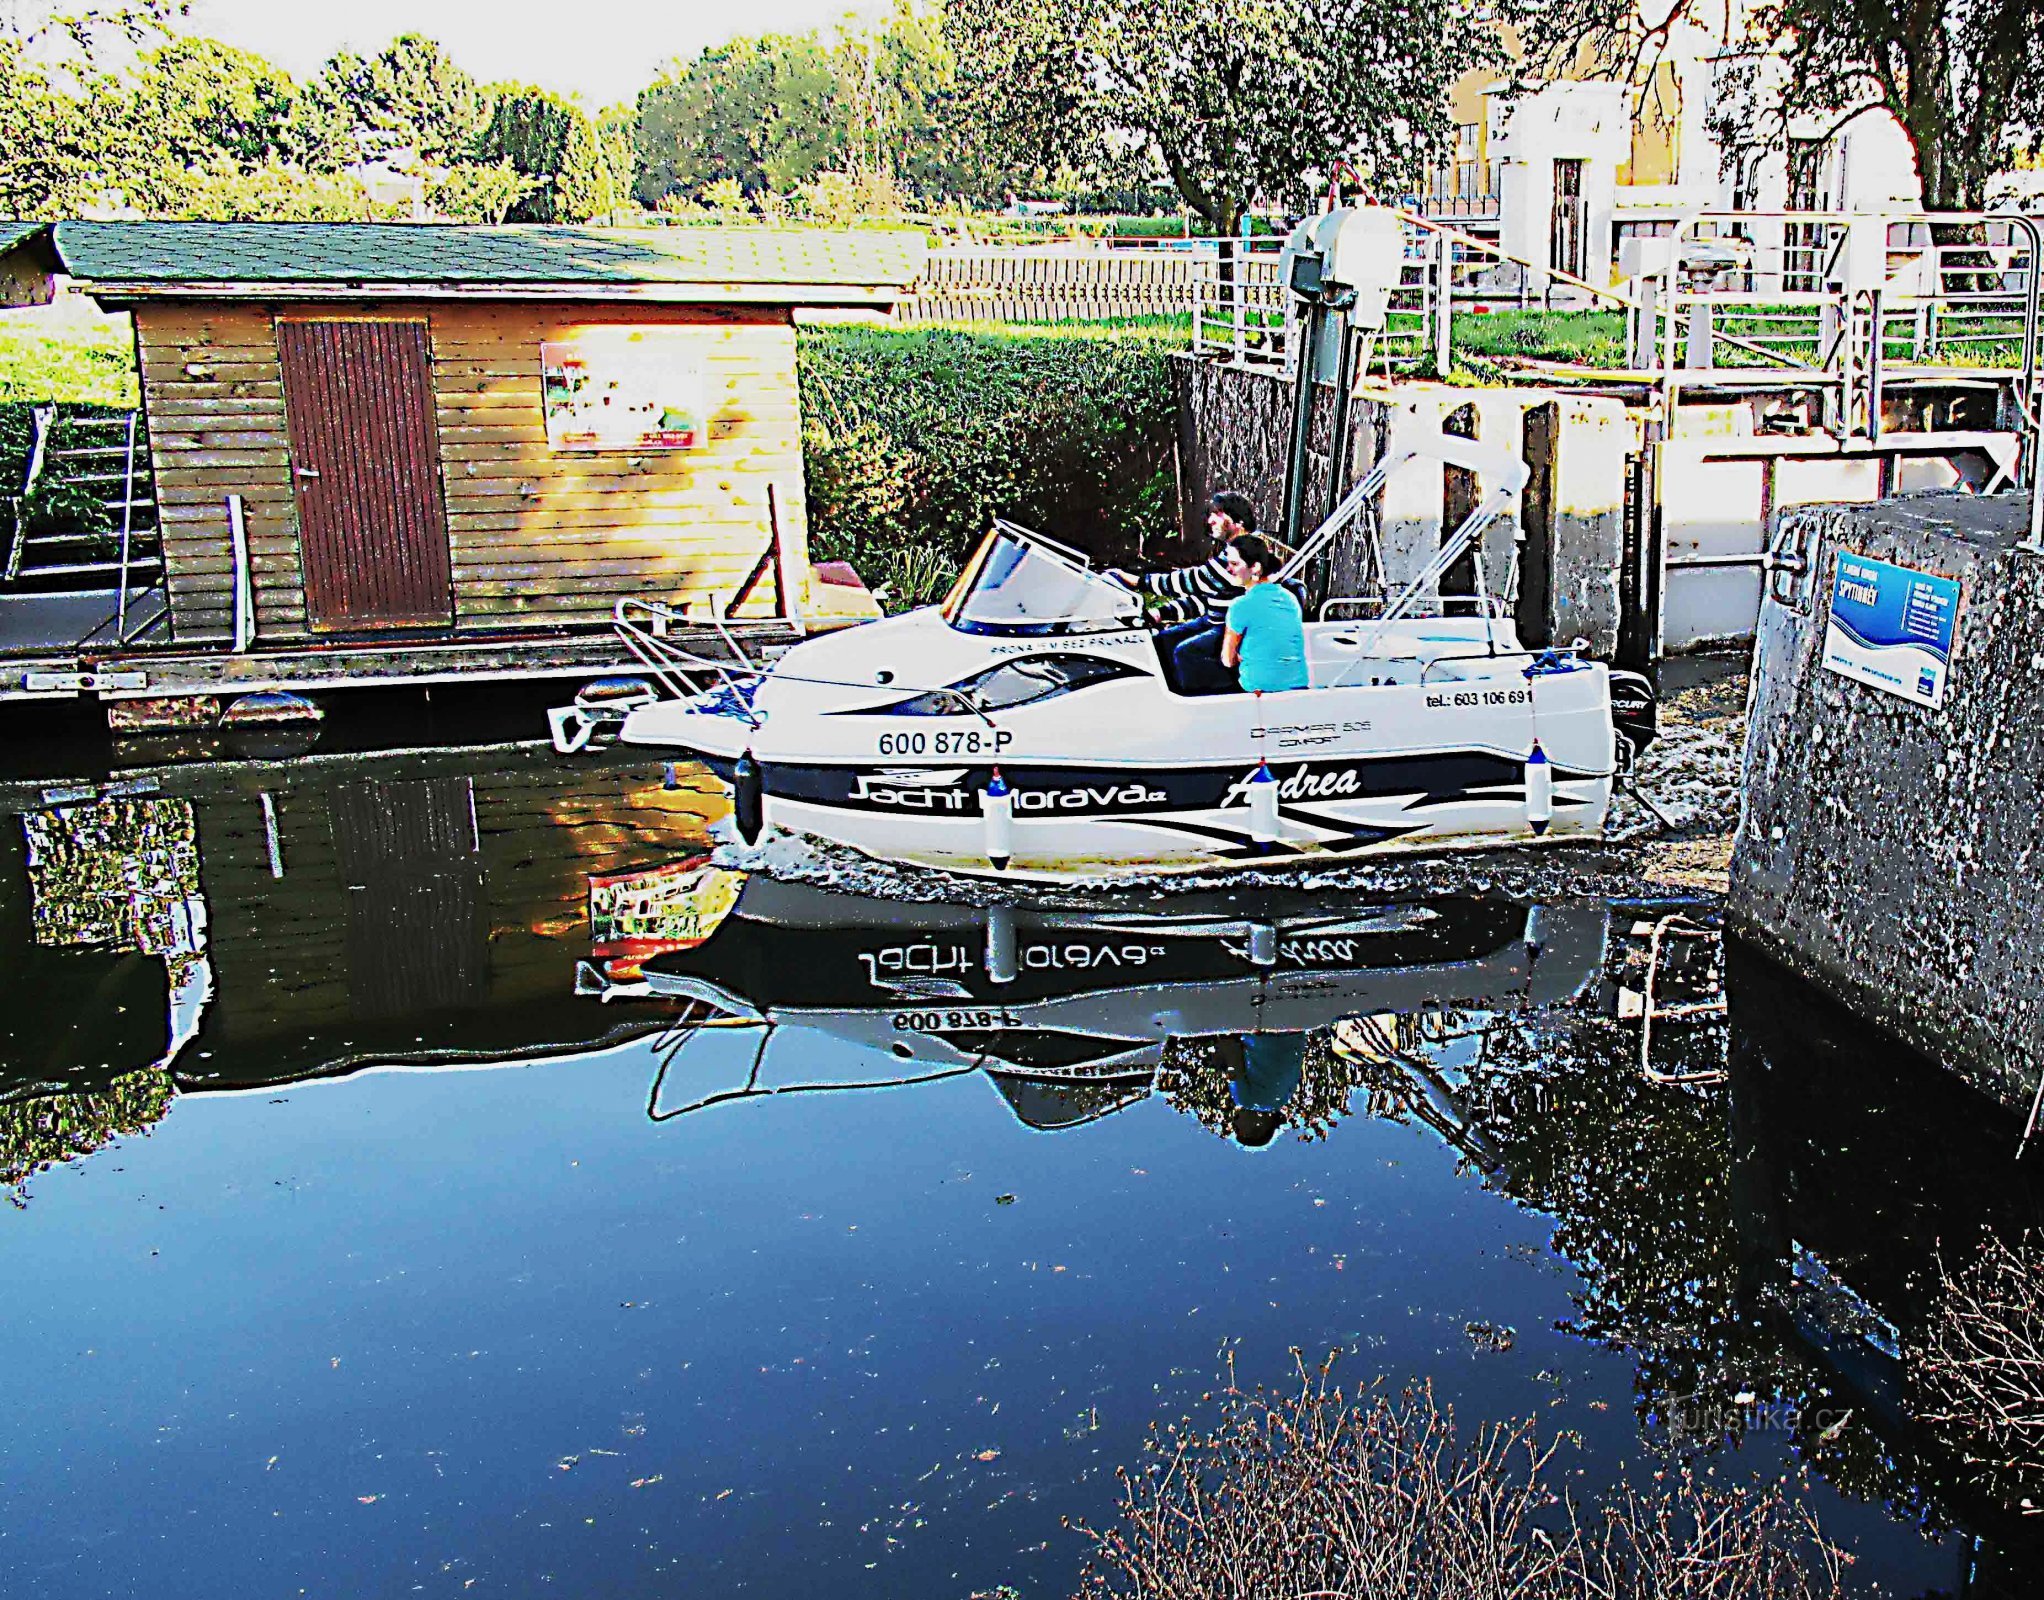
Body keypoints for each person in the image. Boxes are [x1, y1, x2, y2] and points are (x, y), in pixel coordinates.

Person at [1109, 490, 1260, 693]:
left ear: (1239, 521)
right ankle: (1168, 694)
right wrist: (1163, 612)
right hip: (1215, 621)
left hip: (1232, 627)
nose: (1211, 520)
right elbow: (1207, 597)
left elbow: (1194, 581)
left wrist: (1139, 582)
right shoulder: (1231, 549)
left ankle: (1213, 699)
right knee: (1161, 642)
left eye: (1219, 513)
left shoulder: (1244, 553)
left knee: (1185, 654)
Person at [1220, 534, 1309, 694]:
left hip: (1258, 691)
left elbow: (1227, 660)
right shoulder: (1291, 598)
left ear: (1255, 567)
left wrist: (1239, 656)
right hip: (1298, 687)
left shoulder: (1240, 605)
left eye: (1234, 564)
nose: (1228, 569)